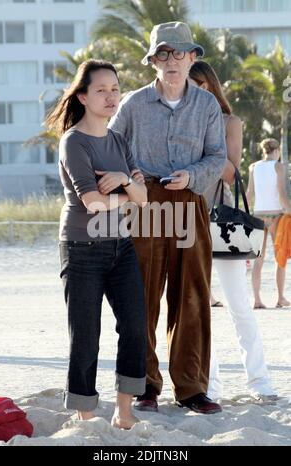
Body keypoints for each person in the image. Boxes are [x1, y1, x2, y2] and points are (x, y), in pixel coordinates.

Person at [109, 22, 227, 414]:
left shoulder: (208, 106)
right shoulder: (133, 104)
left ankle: (192, 388)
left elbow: (217, 157)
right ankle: (144, 386)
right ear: (152, 61)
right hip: (143, 204)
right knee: (141, 297)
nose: (172, 61)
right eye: (163, 53)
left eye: (179, 53)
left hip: (190, 200)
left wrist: (192, 175)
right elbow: (109, 147)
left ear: (193, 58)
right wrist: (130, 176)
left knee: (191, 296)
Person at [45, 59, 148, 429]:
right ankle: (86, 412)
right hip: (81, 249)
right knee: (86, 335)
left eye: (115, 89)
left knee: (136, 326)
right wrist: (127, 192)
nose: (110, 96)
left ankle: (124, 410)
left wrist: (122, 178)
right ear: (84, 97)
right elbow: (93, 204)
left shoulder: (119, 140)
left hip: (121, 247)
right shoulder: (73, 142)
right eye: (101, 90)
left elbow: (144, 196)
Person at [189, 61, 277, 401]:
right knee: (198, 308)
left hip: (221, 221)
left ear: (208, 86)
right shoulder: (176, 118)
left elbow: (229, 171)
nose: (189, 90)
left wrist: (201, 140)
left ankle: (259, 382)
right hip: (185, 219)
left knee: (239, 303)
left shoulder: (229, 122)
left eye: (195, 84)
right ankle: (209, 386)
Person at [247, 138, 291, 309]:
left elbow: (250, 193)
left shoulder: (253, 167)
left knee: (259, 259)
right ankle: (280, 298)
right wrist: (289, 209)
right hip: (275, 216)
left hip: (257, 215)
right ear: (277, 150)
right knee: (280, 257)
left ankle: (257, 300)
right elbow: (281, 193)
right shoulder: (277, 166)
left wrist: (241, 213)